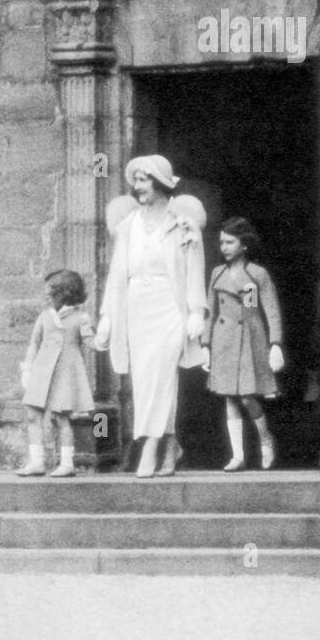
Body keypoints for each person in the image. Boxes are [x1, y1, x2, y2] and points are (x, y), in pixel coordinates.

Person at [95, 156, 207, 478]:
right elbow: (117, 273)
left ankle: (150, 446)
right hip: (135, 307)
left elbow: (194, 267)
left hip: (169, 307)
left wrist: (197, 310)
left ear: (159, 183)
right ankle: (172, 446)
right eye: (137, 181)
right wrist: (107, 315)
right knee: (146, 380)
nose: (138, 187)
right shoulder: (128, 225)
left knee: (161, 374)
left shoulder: (181, 221)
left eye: (144, 180)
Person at [202, 217, 285, 472]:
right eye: (221, 242)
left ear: (244, 245)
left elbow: (270, 310)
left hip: (250, 339)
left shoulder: (256, 274)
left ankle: (266, 441)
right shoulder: (217, 274)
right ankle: (237, 455)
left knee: (248, 397)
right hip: (223, 340)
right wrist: (205, 345)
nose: (224, 247)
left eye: (230, 242)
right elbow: (211, 312)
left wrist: (275, 343)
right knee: (229, 397)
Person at [17, 269, 95, 478]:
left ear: (65, 292)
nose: (46, 294)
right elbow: (35, 342)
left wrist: (102, 336)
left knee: (62, 417)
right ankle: (37, 463)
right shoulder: (44, 316)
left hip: (65, 373)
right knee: (33, 414)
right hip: (42, 371)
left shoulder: (81, 317)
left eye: (51, 290)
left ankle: (67, 463)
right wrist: (28, 368)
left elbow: (91, 343)